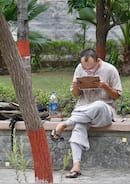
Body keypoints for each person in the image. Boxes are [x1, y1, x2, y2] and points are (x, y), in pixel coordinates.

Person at [50, 48, 122, 178]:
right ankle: (76, 166)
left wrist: (105, 86)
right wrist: (76, 86)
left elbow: (117, 96)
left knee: (99, 104)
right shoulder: (79, 68)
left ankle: (66, 123)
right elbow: (76, 95)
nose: (87, 71)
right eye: (85, 69)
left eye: (91, 69)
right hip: (83, 109)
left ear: (98, 61)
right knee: (79, 127)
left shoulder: (110, 70)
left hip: (104, 111)